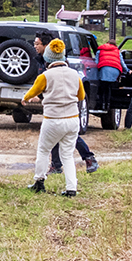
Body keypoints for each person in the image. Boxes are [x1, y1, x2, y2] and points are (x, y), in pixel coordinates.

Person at [21, 37, 84, 197]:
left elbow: (32, 92)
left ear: (47, 58)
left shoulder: (45, 76)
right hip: (72, 119)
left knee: (43, 150)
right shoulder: (74, 74)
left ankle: (39, 181)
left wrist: (25, 98)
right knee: (68, 155)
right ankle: (71, 188)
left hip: (53, 120)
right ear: (63, 56)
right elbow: (81, 95)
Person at [33, 34, 98, 170]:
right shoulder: (40, 60)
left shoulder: (58, 62)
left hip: (64, 106)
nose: (35, 46)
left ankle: (88, 157)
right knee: (57, 135)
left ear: (47, 46)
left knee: (69, 136)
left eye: (37, 44)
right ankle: (57, 165)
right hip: (53, 107)